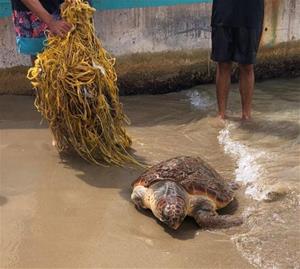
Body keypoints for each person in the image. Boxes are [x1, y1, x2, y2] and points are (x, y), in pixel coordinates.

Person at [211, 0, 264, 120]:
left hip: (250, 13)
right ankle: (221, 115)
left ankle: (246, 116)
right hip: (223, 12)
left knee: (247, 66)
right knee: (223, 63)